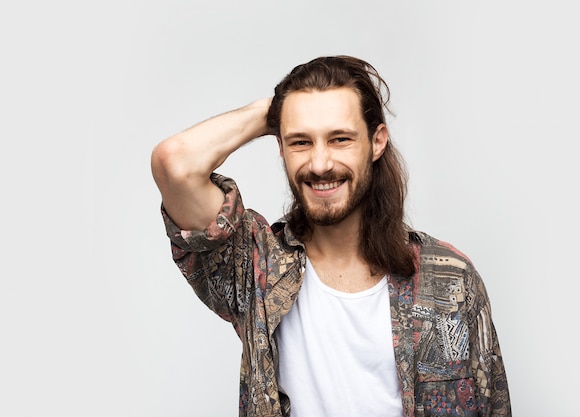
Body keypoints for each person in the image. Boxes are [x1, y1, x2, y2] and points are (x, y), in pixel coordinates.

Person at [151, 55, 511, 417]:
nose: (320, 163)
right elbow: (174, 163)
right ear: (280, 149)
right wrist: (276, 110)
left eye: (339, 139)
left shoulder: (450, 278)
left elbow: (494, 407)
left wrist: (296, 117)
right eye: (300, 142)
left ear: (377, 142)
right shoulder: (256, 267)